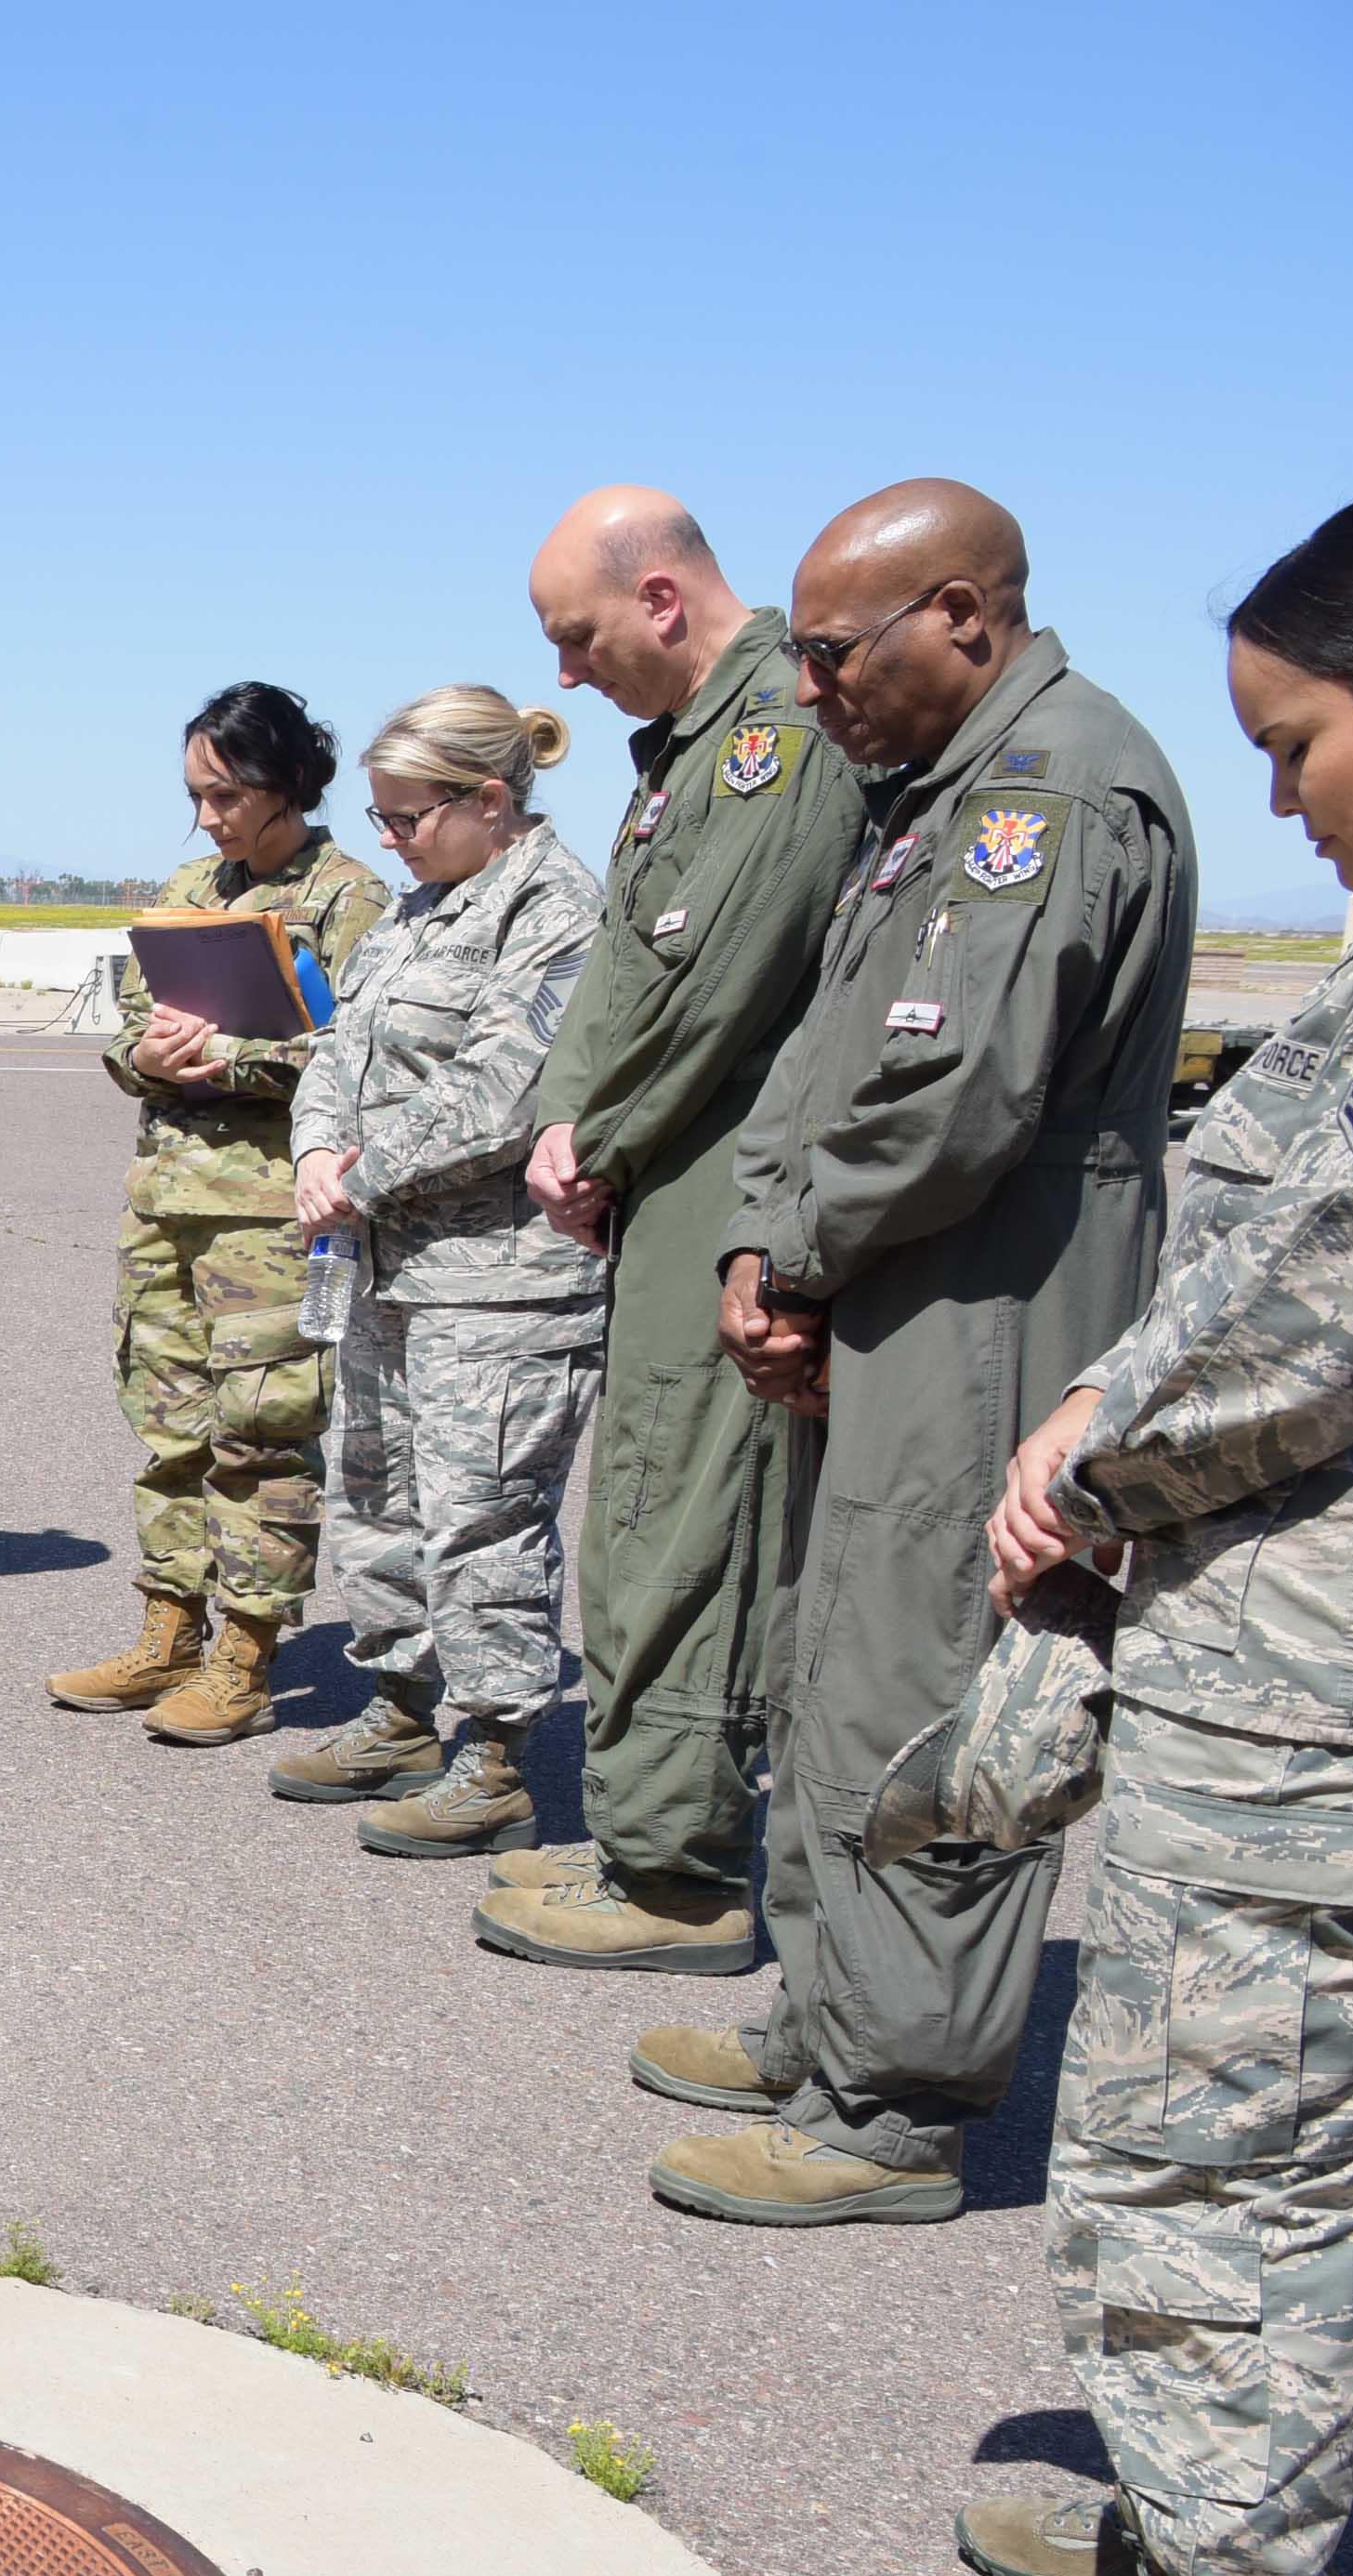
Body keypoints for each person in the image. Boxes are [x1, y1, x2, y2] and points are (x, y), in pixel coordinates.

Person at [909, 485, 1353, 2576]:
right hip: (1325, 1672)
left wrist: (1079, 1448)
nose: (1272, 793)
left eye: (1296, 738)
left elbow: (1312, 1325)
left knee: (1222, 2156)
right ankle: (1206, 2522)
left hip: (1330, 1697)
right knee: (1278, 2138)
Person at [640, 482, 1194, 2228]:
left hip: (996, 1288)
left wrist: (795, 1247)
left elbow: (959, 1095)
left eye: (833, 651)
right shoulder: (932, 803)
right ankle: (829, 2021)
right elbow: (832, 1051)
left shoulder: (1054, 794)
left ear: (961, 613)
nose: (809, 689)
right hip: (895, 1271)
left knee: (930, 1680)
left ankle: (898, 2105)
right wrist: (763, 1242)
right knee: (834, 1649)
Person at [473, 488, 879, 1975]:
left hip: (722, 1173)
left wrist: (604, 1136)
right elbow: (624, 980)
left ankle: (679, 1874)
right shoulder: (696, 752)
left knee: (689, 1513)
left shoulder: (774, 737)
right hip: (663, 1173)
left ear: (659, 599)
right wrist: (568, 1133)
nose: (566, 679)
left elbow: (719, 978)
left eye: (577, 638)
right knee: (643, 1506)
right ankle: (649, 1833)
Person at [273, 690, 607, 1856]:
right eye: (379, 817)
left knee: (481, 1519)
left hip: (497, 1279)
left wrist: (360, 1172)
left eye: (409, 816)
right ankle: (401, 1708)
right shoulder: (415, 912)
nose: (391, 840)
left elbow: (508, 1089)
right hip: (381, 1269)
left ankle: (499, 1754)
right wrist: (318, 1146)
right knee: (375, 1499)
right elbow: (338, 1049)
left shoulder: (555, 911)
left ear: (490, 800)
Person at [49, 684, 390, 1742]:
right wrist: (142, 1055)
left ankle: (247, 1652)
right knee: (168, 1429)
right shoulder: (192, 887)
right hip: (167, 1201)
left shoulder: (348, 899)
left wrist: (230, 1056)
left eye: (228, 793)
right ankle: (169, 1627)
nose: (208, 816)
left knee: (263, 1432)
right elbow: (139, 1028)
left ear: (288, 782)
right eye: (195, 794)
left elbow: (363, 1058)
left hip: (269, 1216)